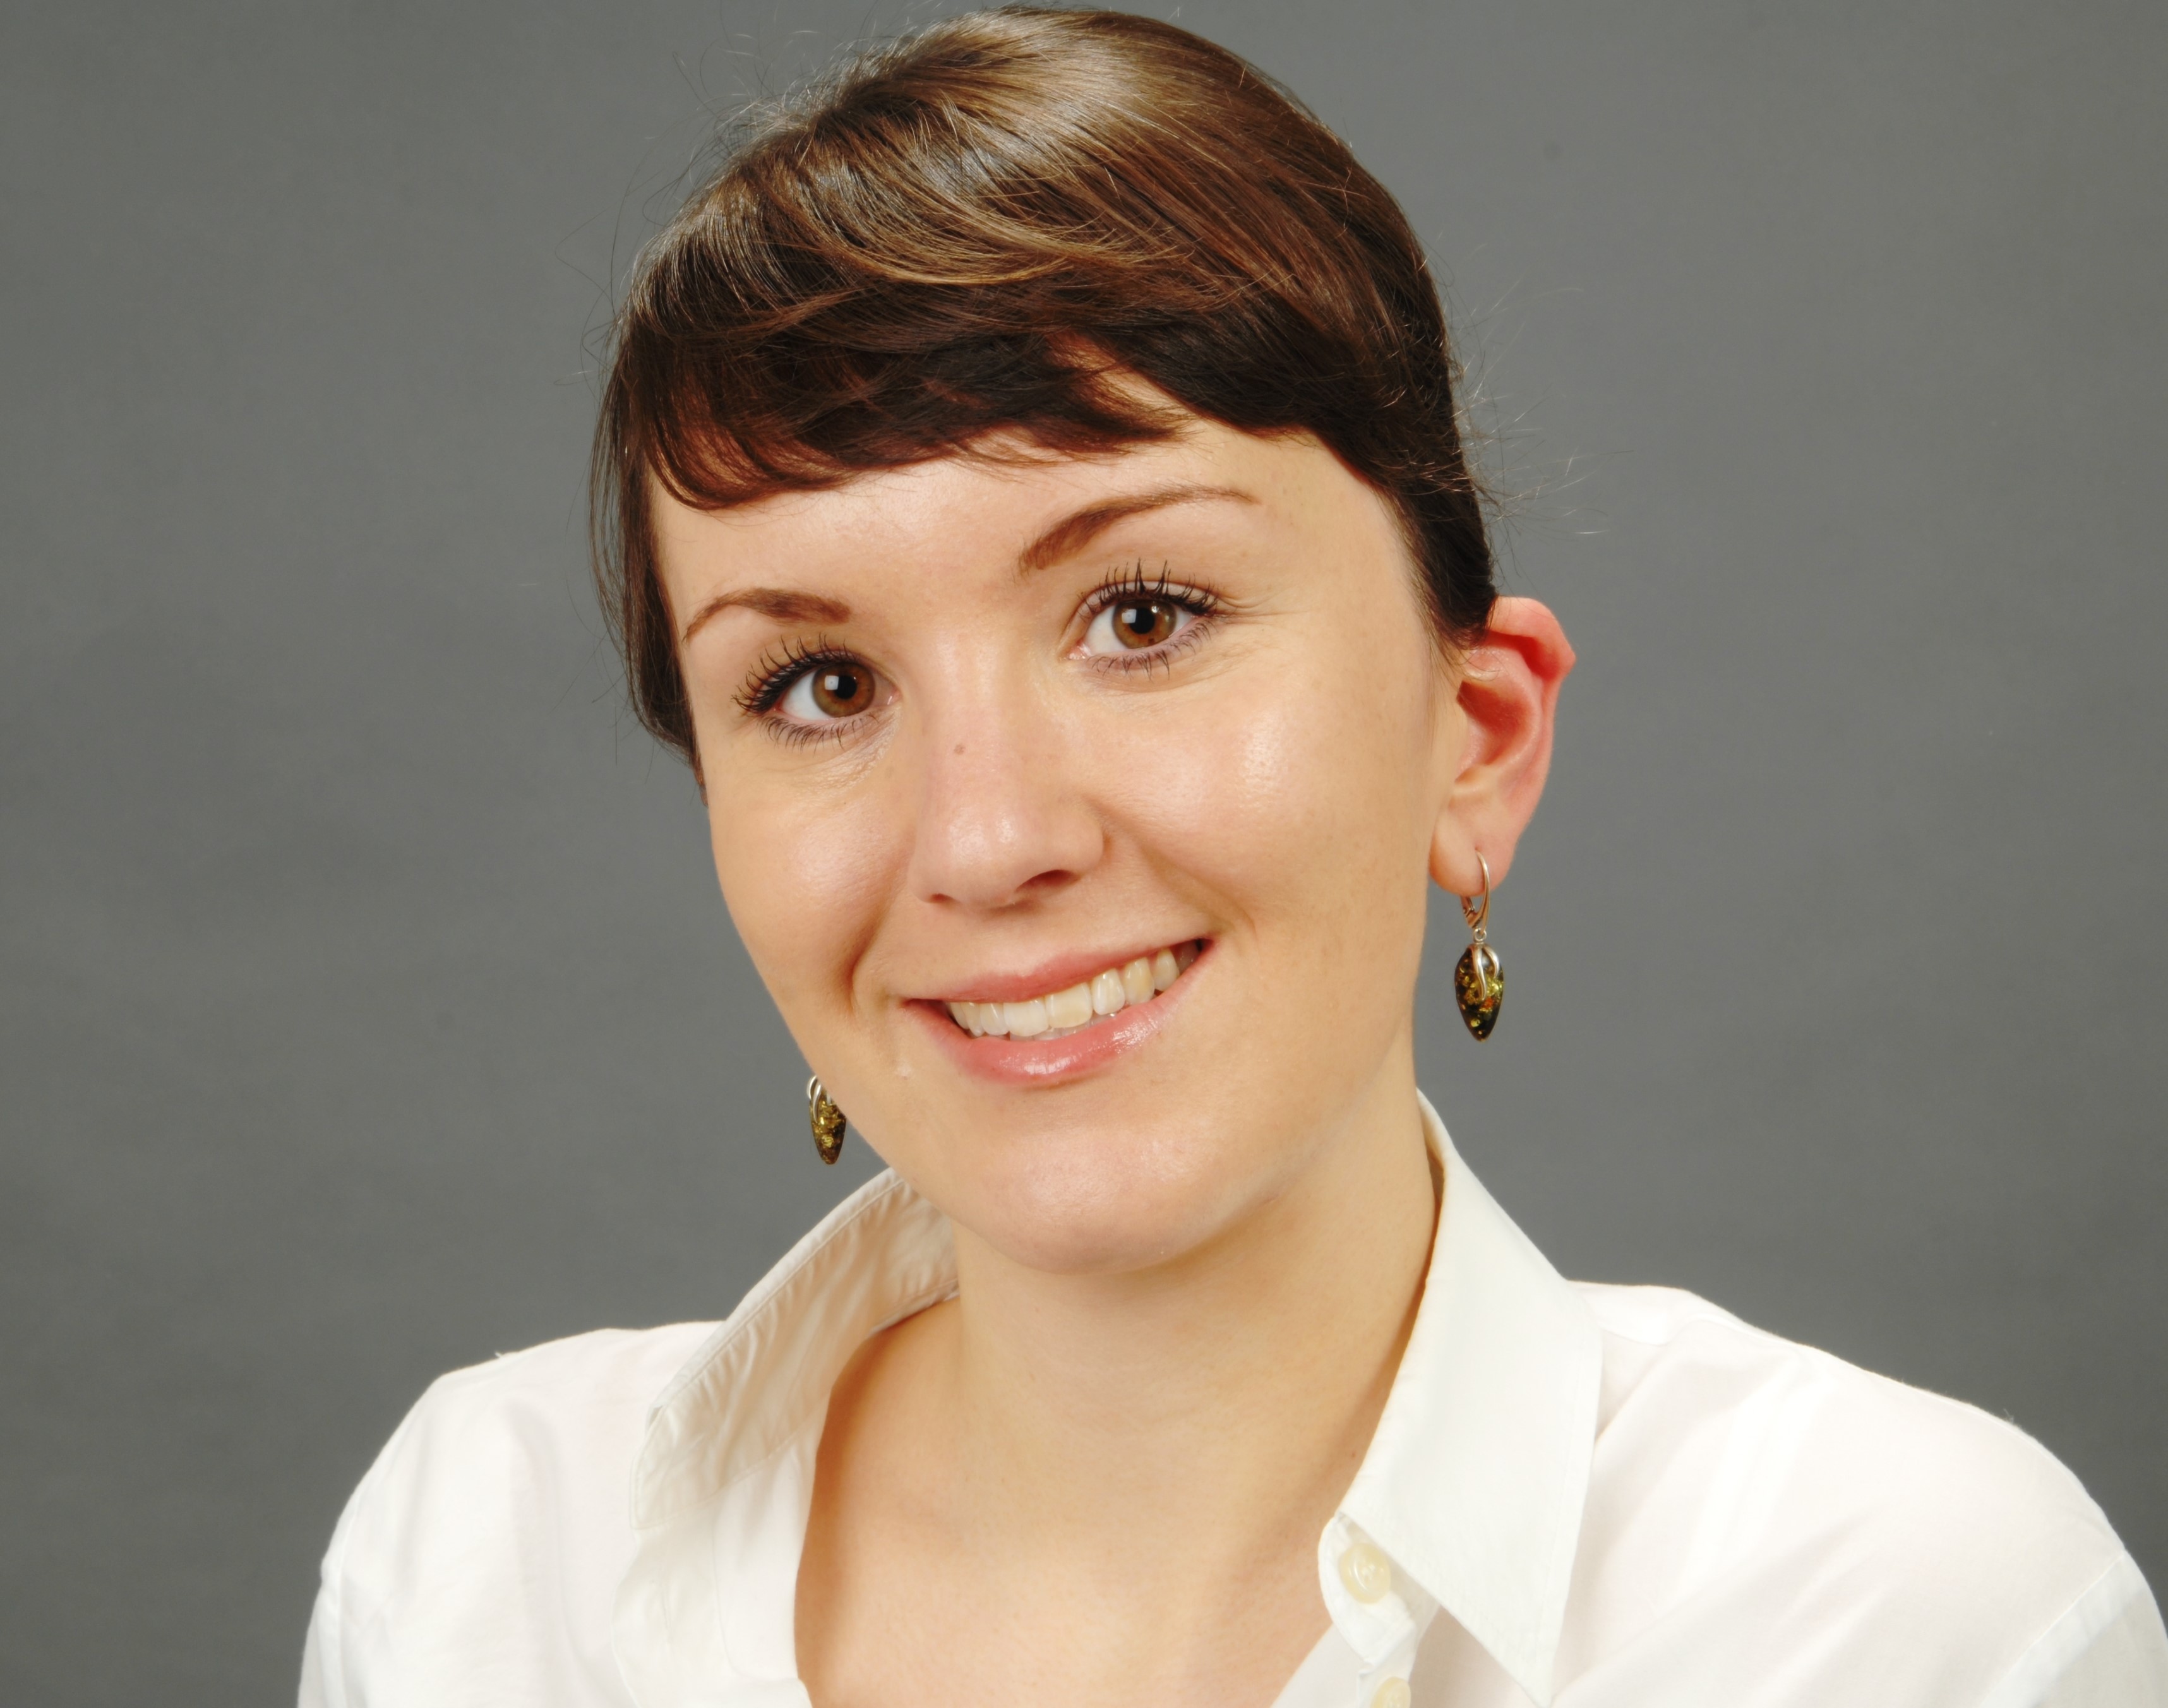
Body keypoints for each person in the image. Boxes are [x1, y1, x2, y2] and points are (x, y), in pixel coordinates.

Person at [297, 11, 2165, 1705]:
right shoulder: (481, 1565)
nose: (988, 839)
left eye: (1144, 614)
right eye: (820, 684)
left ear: (1476, 737)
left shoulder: (1908, 1623)